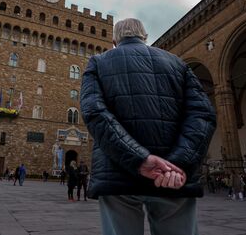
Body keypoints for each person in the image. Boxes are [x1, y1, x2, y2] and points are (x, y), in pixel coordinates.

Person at [80, 18, 216, 235]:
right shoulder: (177, 63)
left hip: (118, 177)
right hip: (173, 179)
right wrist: (176, 165)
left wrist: (139, 159)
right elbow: (203, 115)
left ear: (115, 41)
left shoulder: (98, 62)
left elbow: (94, 113)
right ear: (145, 37)